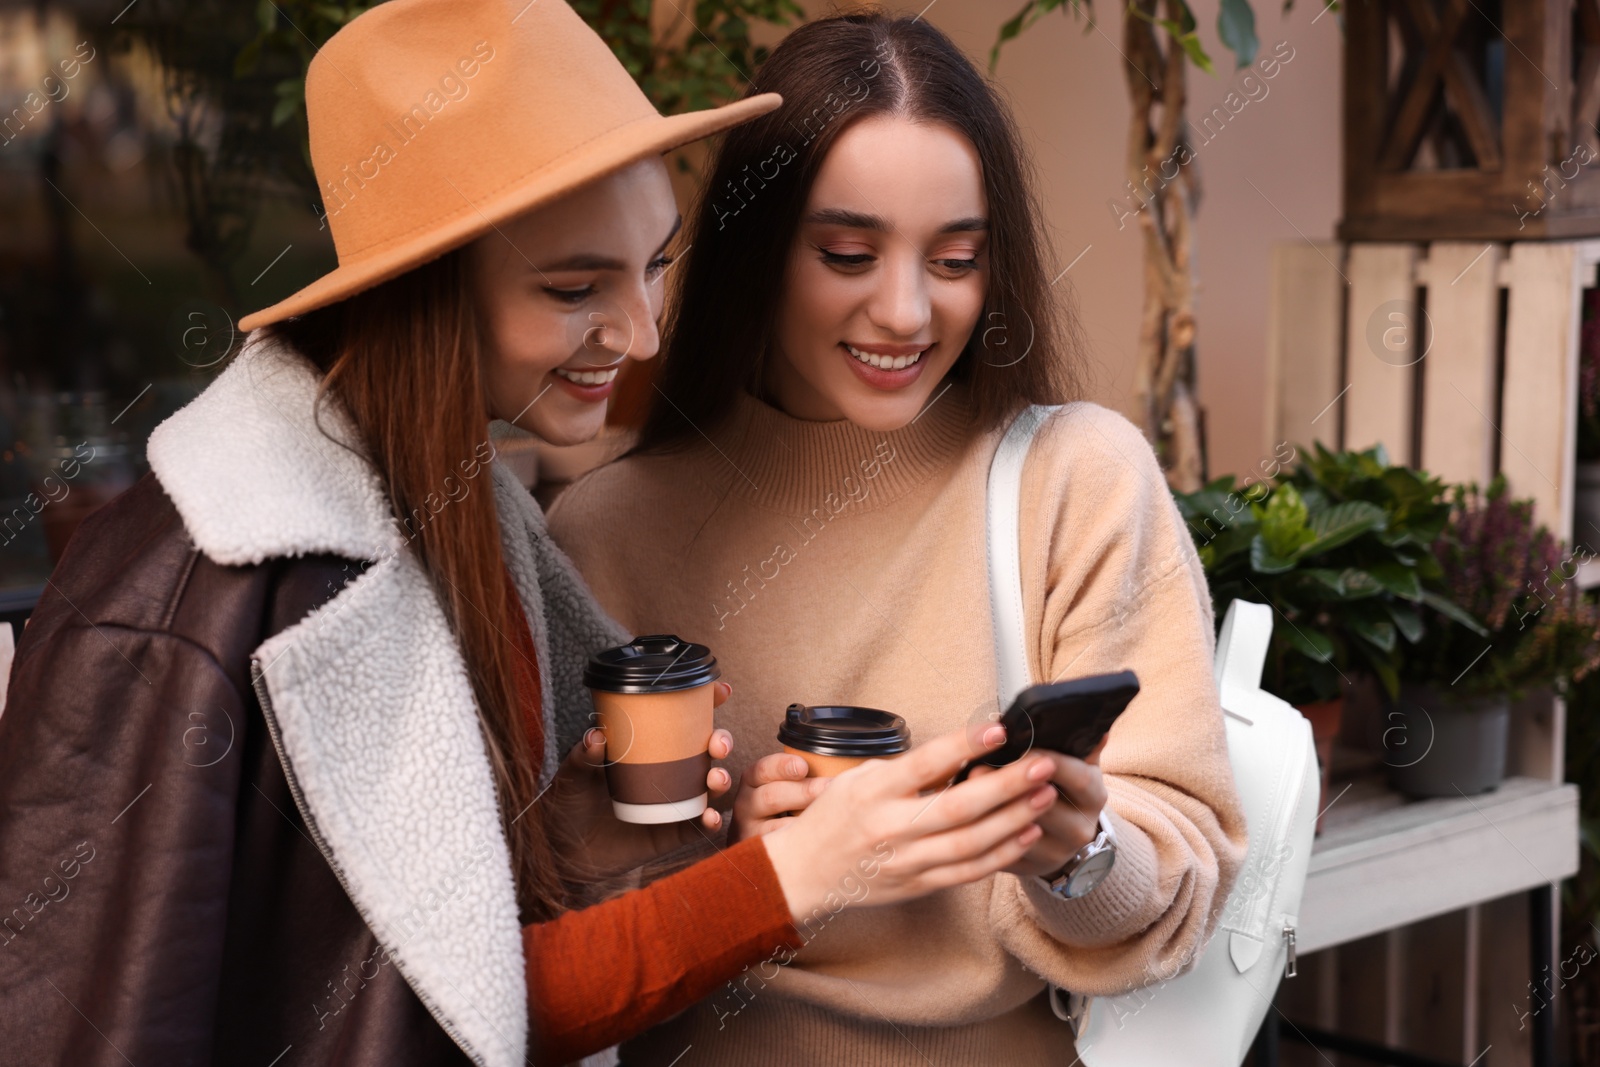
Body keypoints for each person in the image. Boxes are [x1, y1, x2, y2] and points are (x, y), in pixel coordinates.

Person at [0, 3, 1064, 1065]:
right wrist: (796, 879)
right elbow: (441, 1016)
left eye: (654, 263)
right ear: (424, 292)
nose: (641, 332)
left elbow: (451, 939)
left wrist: (573, 836)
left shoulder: (463, 507)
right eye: (573, 288)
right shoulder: (210, 596)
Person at [547, 12, 1250, 1065]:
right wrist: (744, 862)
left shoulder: (1075, 481)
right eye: (846, 253)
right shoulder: (605, 530)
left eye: (957, 258)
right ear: (755, 252)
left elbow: (1179, 886)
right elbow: (553, 919)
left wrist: (1075, 852)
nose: (906, 310)